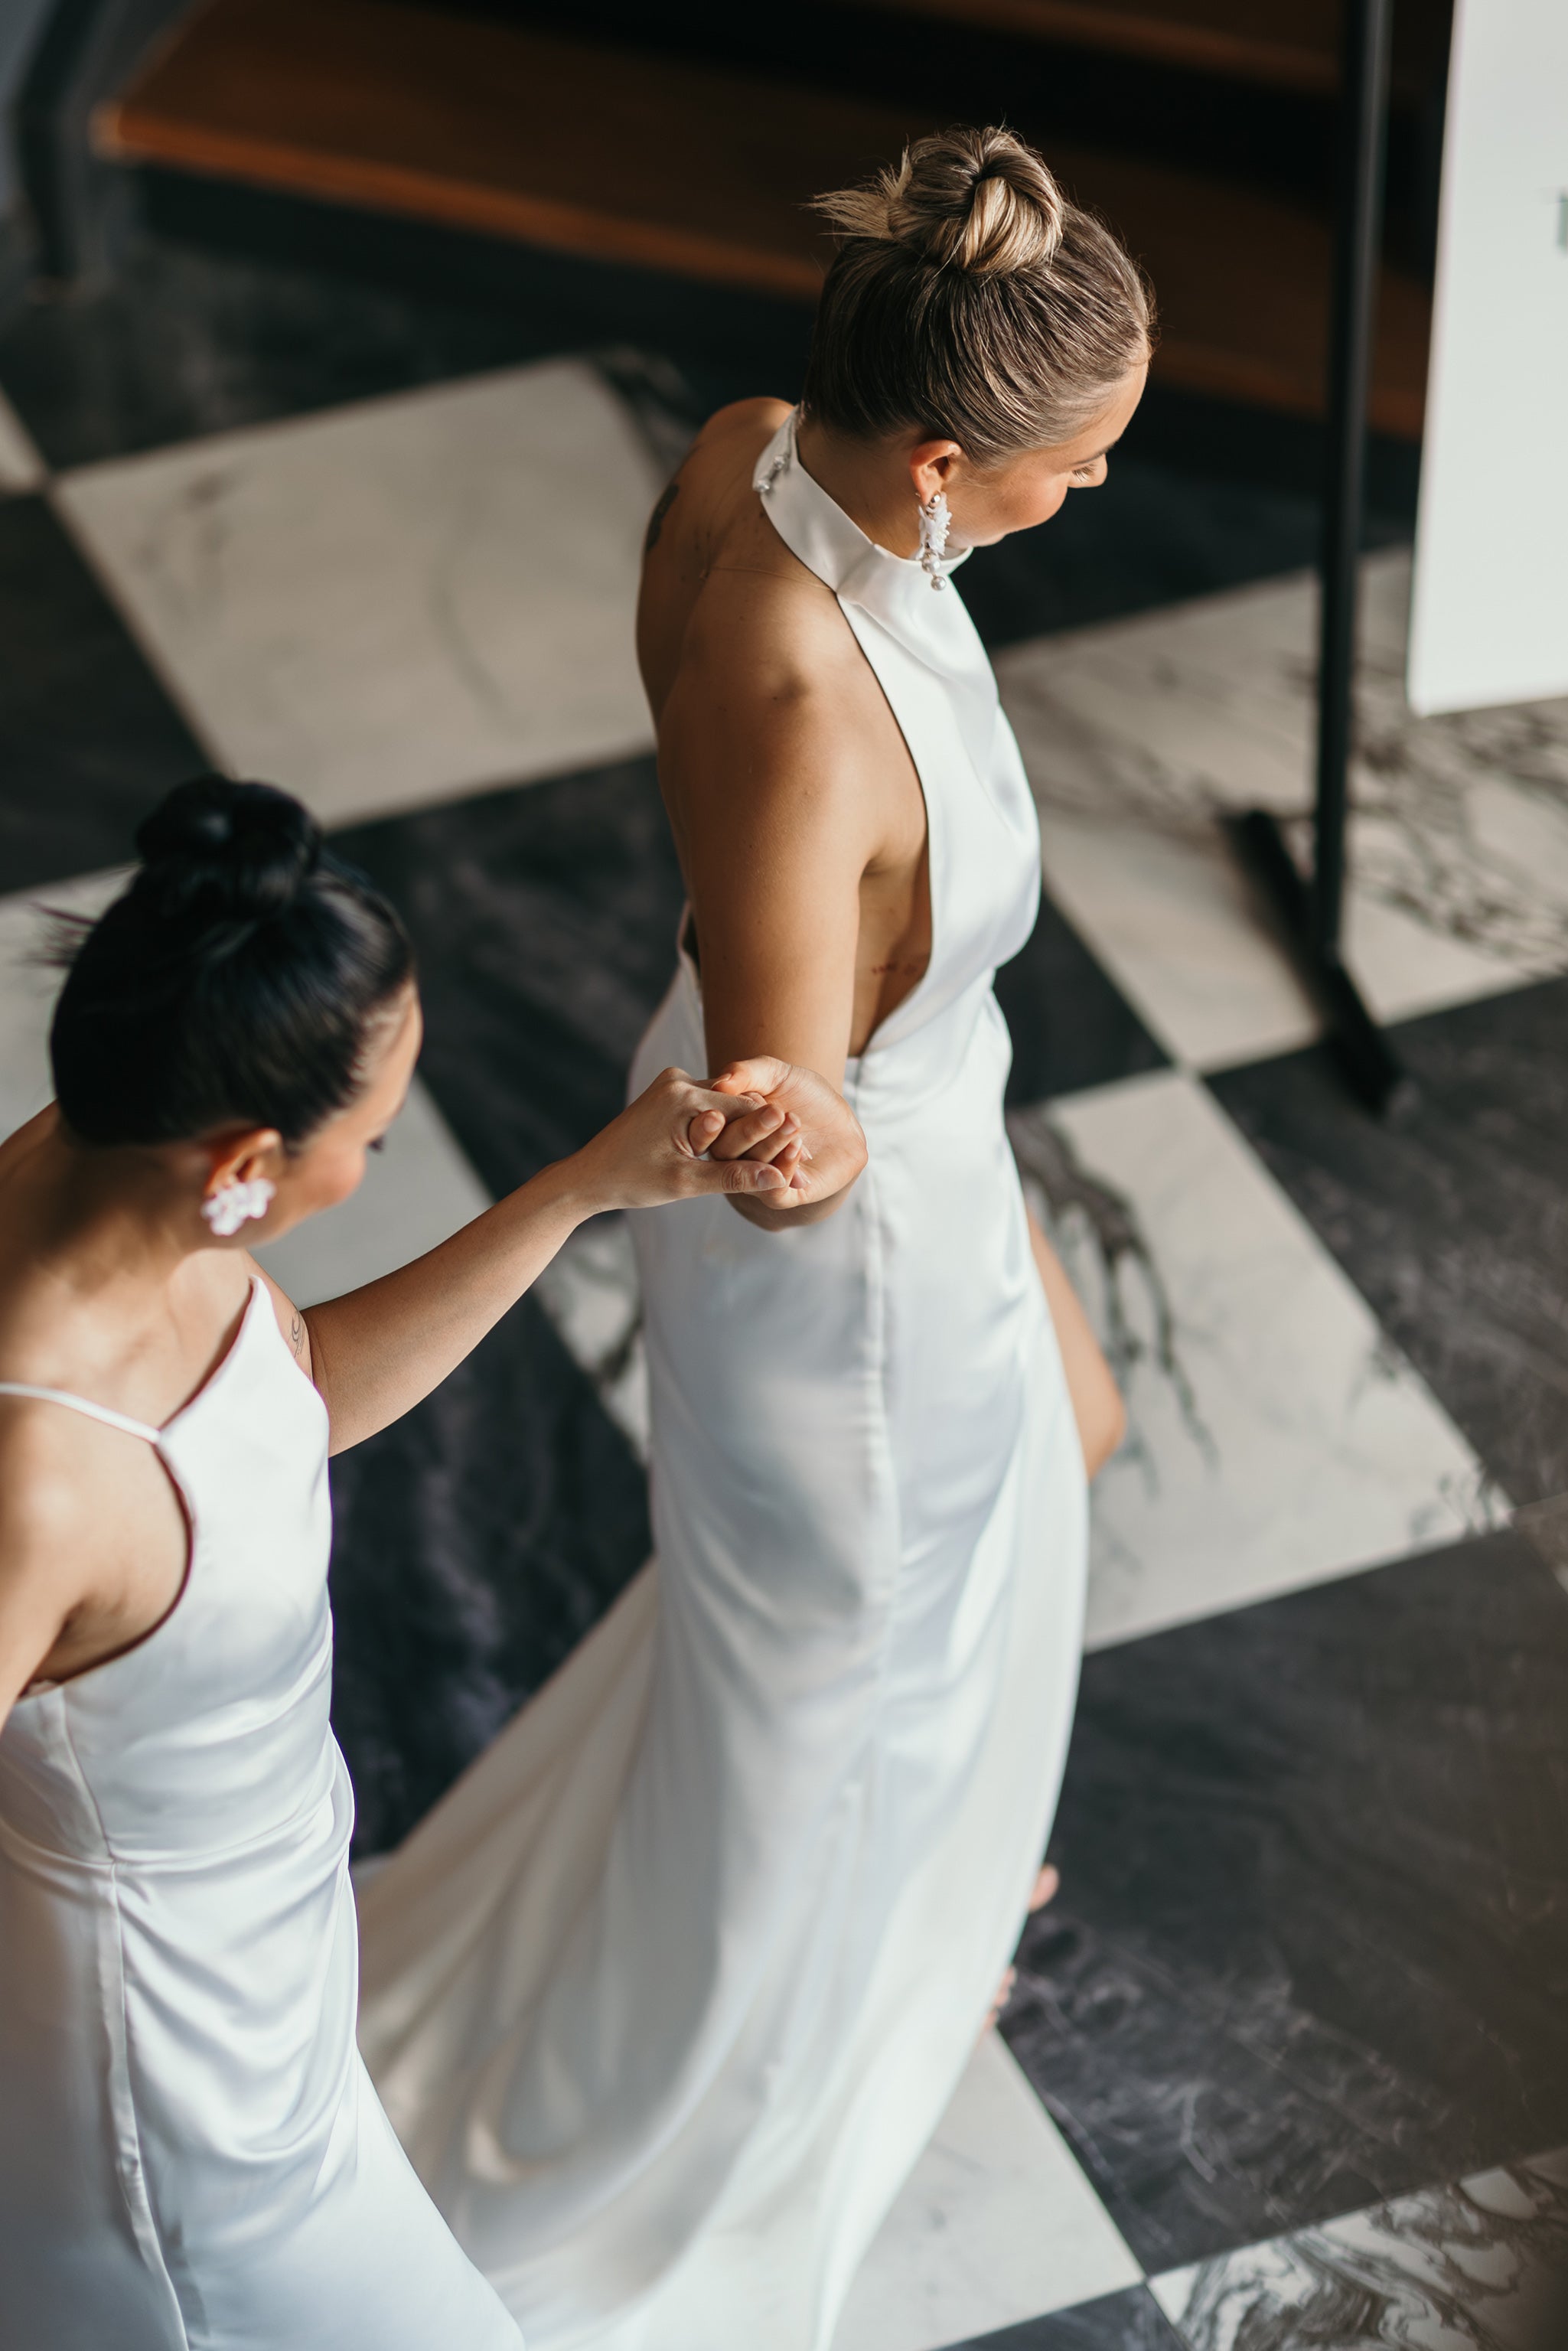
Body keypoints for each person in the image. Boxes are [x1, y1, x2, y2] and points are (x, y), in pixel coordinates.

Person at [354, 126, 1150, 2350]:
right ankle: (727, 2095)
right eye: (1070, 470)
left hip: (869, 1111)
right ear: (939, 461)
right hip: (840, 1256)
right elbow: (771, 1136)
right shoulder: (818, 710)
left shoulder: (740, 455)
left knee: (881, 1611)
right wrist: (848, 1134)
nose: (1085, 498)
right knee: (842, 1680)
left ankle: (901, 1910)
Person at [0, 775, 801, 2351]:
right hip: (165, 2080)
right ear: (243, 1154)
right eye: (368, 1137)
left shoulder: (93, 1167)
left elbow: (286, 1408)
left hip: (266, 1957)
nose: (374, 1159)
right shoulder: (33, 1473)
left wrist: (581, 1188)